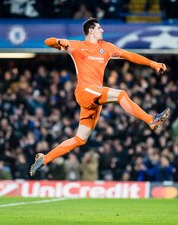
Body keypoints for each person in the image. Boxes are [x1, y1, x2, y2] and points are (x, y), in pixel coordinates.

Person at [30, 17, 170, 176]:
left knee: (80, 139)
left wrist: (153, 64)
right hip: (84, 91)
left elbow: (129, 55)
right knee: (120, 94)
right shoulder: (77, 46)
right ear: (90, 30)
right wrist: (59, 41)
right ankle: (151, 120)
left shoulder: (107, 48)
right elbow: (47, 42)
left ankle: (44, 159)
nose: (102, 30)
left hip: (94, 97)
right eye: (99, 28)